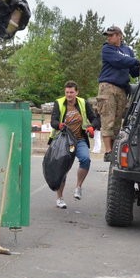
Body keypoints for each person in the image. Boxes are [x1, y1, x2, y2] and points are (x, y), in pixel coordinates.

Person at [49, 81, 100, 209]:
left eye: (71, 92)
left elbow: (95, 119)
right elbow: (53, 121)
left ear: (76, 92)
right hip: (64, 141)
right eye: (67, 92)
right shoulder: (59, 103)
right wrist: (58, 125)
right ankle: (59, 198)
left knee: (85, 159)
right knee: (62, 168)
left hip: (79, 139)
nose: (69, 95)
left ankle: (78, 187)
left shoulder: (83, 103)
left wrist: (92, 127)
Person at [97, 25, 140, 161]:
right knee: (108, 119)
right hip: (108, 87)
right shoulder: (107, 49)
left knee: (118, 122)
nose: (109, 38)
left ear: (119, 35)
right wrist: (136, 61)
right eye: (108, 35)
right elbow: (119, 61)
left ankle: (115, 150)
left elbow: (132, 70)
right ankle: (108, 151)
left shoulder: (128, 50)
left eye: (111, 35)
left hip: (122, 88)